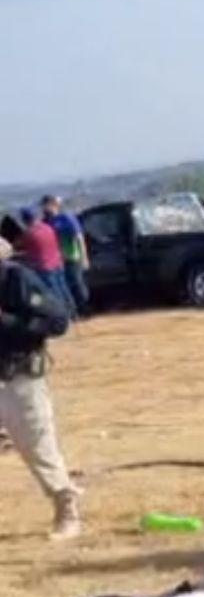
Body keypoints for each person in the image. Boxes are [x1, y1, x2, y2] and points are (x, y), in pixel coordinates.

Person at [0, 236, 81, 539]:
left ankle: (66, 506)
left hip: (17, 374)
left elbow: (57, 321)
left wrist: (6, 322)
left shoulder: (17, 279)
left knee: (36, 445)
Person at [0, 209, 71, 315]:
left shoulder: (29, 234)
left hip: (45, 267)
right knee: (64, 289)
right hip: (57, 263)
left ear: (25, 220)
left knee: (53, 293)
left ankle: (63, 314)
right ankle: (73, 312)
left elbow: (14, 247)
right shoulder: (47, 227)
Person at [41, 196, 88, 318]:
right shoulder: (46, 222)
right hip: (58, 260)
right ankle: (73, 312)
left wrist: (84, 256)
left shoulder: (66, 218)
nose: (44, 208)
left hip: (73, 256)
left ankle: (85, 309)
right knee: (65, 287)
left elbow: (79, 237)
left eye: (46, 205)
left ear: (53, 205)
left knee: (77, 283)